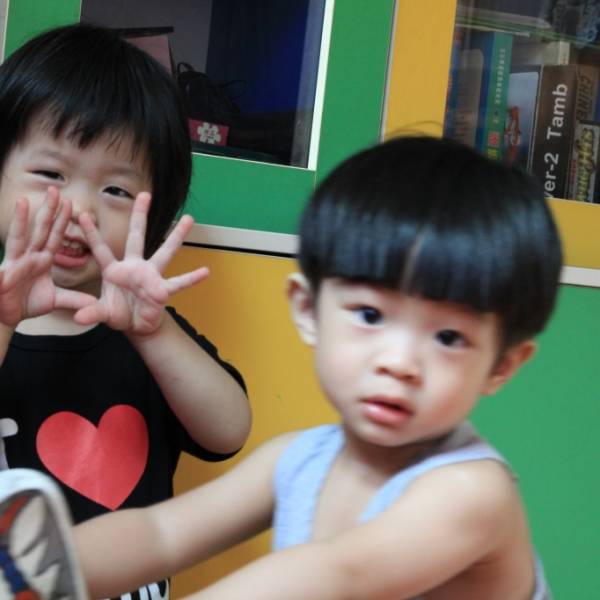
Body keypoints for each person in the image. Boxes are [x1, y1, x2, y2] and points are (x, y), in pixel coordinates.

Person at [78, 135, 558, 599]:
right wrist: (45, 565)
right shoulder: (298, 460)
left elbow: (338, 575)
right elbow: (161, 534)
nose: (400, 363)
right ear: (308, 310)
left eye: (448, 338)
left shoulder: (472, 493)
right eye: (370, 315)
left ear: (501, 365)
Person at [0, 23, 251, 600]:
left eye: (116, 191)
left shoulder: (144, 329)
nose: (80, 208)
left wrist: (155, 333)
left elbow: (228, 432)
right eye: (51, 174)